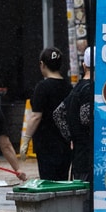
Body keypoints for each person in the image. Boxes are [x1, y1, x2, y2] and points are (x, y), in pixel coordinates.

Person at [54, 48, 96, 212]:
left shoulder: (77, 88)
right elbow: (86, 117)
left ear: (84, 66)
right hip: (90, 159)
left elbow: (58, 114)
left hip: (79, 157)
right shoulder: (90, 90)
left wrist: (71, 137)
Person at [26, 48, 73, 181]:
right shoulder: (68, 87)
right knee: (62, 182)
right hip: (64, 144)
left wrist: (25, 139)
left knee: (48, 182)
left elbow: (36, 116)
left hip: (46, 144)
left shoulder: (42, 87)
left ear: (42, 64)